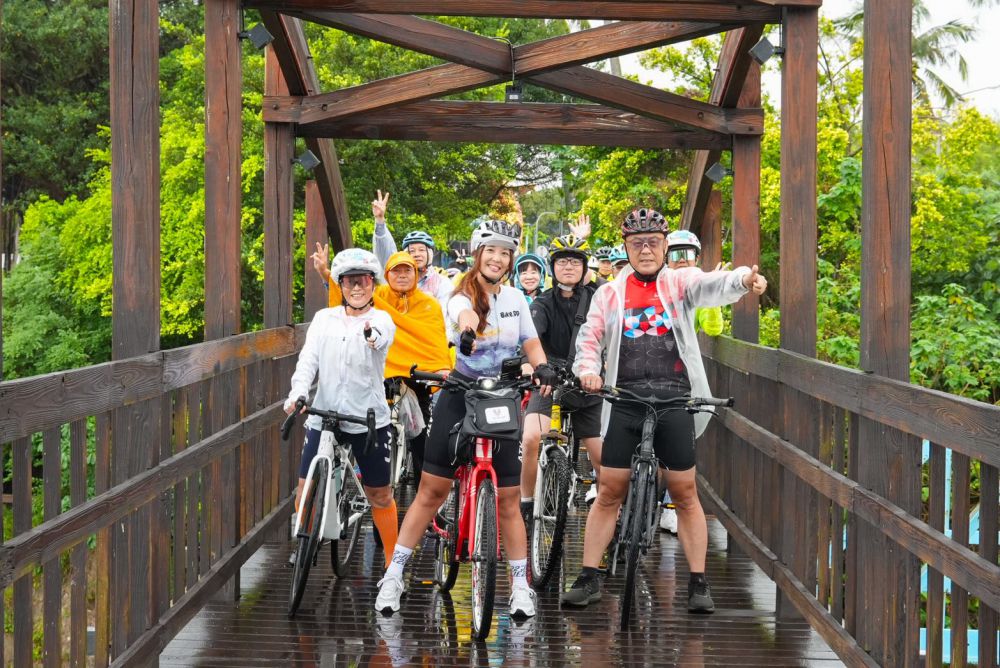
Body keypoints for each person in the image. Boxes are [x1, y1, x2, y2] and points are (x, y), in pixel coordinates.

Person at [561, 208, 767, 614]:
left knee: (685, 492)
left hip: (676, 398)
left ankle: (697, 581)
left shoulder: (678, 282)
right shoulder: (610, 293)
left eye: (654, 242)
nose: (646, 250)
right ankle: (588, 577)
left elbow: (712, 284)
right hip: (625, 397)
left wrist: (743, 279)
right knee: (609, 490)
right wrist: (587, 371)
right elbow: (590, 338)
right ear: (626, 248)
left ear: (665, 245)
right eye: (637, 243)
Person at [375, 218, 557, 619]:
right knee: (431, 491)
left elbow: (530, 340)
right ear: (478, 255)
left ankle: (520, 586)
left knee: (509, 499)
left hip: (503, 397)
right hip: (460, 394)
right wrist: (468, 331)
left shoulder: (515, 299)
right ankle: (394, 574)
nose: (498, 258)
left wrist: (542, 366)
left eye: (505, 252)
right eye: (490, 250)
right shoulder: (459, 292)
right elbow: (463, 313)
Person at [285, 248, 400, 569]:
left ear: (373, 283)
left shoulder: (381, 319)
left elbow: (380, 339)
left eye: (363, 280)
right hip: (324, 413)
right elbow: (308, 360)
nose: (357, 287)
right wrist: (297, 394)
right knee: (304, 488)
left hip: (368, 419)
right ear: (340, 285)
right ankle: (304, 537)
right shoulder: (325, 319)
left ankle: (393, 566)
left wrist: (370, 335)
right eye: (349, 282)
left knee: (380, 495)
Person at [311, 247, 453, 487]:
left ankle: (425, 496)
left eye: (407, 270)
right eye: (395, 270)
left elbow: (434, 342)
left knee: (421, 438)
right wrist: (325, 273)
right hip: (381, 373)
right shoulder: (376, 297)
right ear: (386, 274)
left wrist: (439, 367)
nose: (401, 275)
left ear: (416, 274)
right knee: (369, 424)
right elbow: (348, 296)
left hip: (416, 375)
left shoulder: (429, 305)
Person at [519, 234, 604, 522]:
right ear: (552, 267)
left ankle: (610, 513)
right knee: (531, 438)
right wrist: (529, 365)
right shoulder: (542, 303)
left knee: (603, 459)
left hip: (588, 382)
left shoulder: (598, 298)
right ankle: (526, 502)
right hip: (550, 382)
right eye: (562, 261)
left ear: (584, 267)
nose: (568, 267)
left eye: (575, 261)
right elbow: (531, 336)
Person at [657, 230, 725, 534]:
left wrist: (712, 293)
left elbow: (713, 328)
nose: (681, 261)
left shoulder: (696, 287)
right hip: (647, 372)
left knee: (679, 445)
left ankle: (668, 506)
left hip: (682, 375)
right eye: (675, 255)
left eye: (688, 255)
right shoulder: (656, 284)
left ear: (697, 259)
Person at [369, 190, 453, 310]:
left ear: (430, 253)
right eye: (412, 251)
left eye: (421, 250)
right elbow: (385, 252)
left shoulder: (441, 282)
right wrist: (380, 220)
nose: (416, 254)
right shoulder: (396, 278)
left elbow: (445, 316)